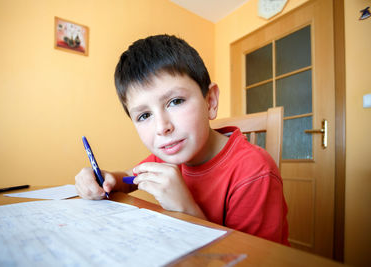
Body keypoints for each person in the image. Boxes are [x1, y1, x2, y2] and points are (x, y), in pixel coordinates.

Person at [75, 34, 289, 245]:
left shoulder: (254, 171)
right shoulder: (168, 155)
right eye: (144, 116)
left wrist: (185, 209)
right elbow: (131, 178)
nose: (162, 127)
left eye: (176, 101)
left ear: (211, 101)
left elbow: (251, 259)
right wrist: (106, 178)